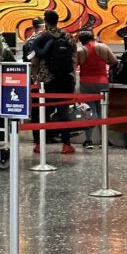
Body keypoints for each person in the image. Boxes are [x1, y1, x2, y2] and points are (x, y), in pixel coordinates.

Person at [31, 9, 77, 154]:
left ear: (45, 21)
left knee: (41, 111)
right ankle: (66, 145)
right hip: (66, 78)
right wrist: (72, 75)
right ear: (58, 20)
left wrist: (34, 77)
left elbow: (34, 61)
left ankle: (39, 144)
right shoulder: (68, 37)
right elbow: (74, 58)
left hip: (47, 80)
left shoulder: (41, 37)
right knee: (64, 111)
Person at [76, 30, 117, 149]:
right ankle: (104, 140)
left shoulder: (80, 51)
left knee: (89, 111)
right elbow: (114, 61)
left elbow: (74, 65)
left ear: (80, 40)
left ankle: (88, 140)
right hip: (102, 83)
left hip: (86, 83)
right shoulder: (103, 47)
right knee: (103, 112)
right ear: (93, 37)